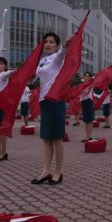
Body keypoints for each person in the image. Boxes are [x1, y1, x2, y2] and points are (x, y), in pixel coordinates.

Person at [31, 32, 69, 185]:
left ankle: (58, 173)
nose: (47, 44)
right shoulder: (42, 61)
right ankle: (46, 171)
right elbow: (35, 76)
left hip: (56, 100)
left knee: (57, 138)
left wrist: (66, 45)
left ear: (57, 45)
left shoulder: (57, 59)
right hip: (44, 101)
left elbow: (62, 53)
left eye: (51, 42)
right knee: (46, 138)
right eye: (46, 42)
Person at [79, 72, 95, 142]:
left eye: (88, 76)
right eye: (85, 76)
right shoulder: (82, 85)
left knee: (89, 120)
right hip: (83, 102)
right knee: (86, 120)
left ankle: (89, 136)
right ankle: (87, 136)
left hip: (89, 101)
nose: (86, 77)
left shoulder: (91, 84)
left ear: (90, 77)